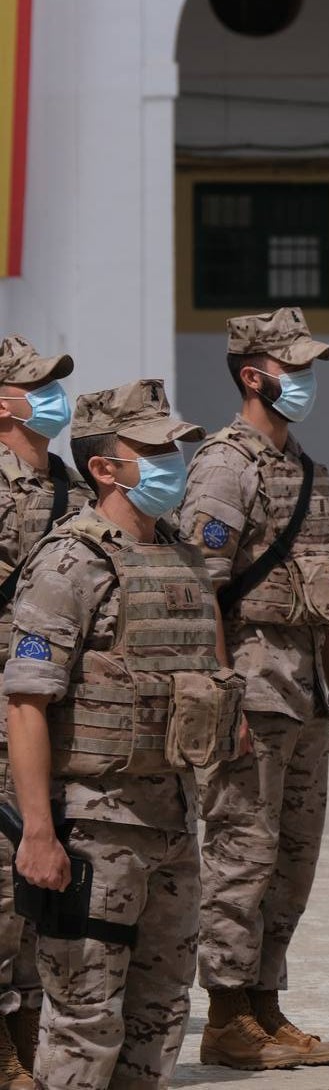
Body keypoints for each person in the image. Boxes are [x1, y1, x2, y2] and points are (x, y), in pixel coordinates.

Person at [4, 379, 243, 1090]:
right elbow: (25, 703)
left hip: (171, 820)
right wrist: (39, 834)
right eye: (156, 448)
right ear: (105, 466)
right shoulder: (70, 562)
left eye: (175, 445)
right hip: (95, 830)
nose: (175, 458)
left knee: (161, 1011)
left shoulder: (180, 553)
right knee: (84, 1021)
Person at [179, 307, 329, 1070]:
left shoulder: (307, 469)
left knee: (291, 858)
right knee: (241, 855)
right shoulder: (225, 466)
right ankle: (224, 1013)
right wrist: (222, 702)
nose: (307, 381)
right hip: (250, 689)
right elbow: (202, 591)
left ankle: (264, 1004)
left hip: (305, 694)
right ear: (255, 375)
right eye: (296, 368)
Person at [0, 338, 90, 1090]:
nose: (55, 397)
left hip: (64, 714)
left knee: (44, 876)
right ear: (3, 401)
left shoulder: (74, 485)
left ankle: (31, 1030)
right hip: (5, 711)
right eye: (38, 386)